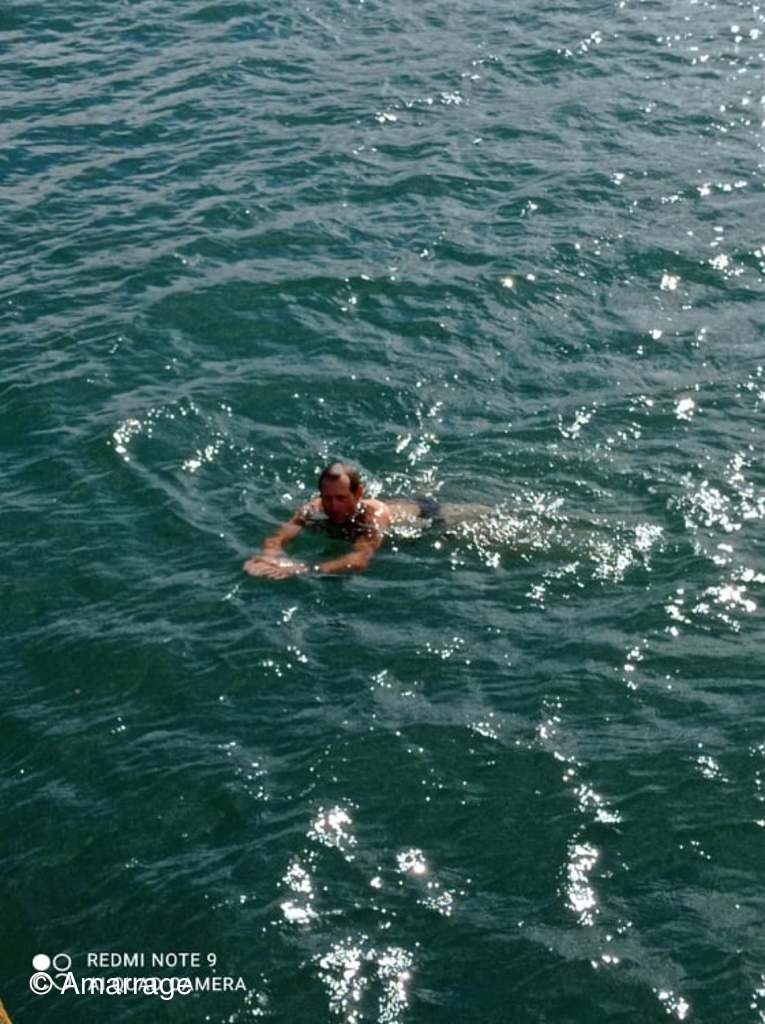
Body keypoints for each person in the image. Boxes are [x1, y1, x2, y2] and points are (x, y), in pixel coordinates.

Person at [243, 461, 447, 579]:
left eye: (341, 498)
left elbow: (360, 560)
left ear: (358, 494)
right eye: (328, 498)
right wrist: (270, 556)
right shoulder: (314, 509)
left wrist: (301, 569)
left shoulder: (374, 515)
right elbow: (279, 537)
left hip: (427, 514)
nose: (333, 506)